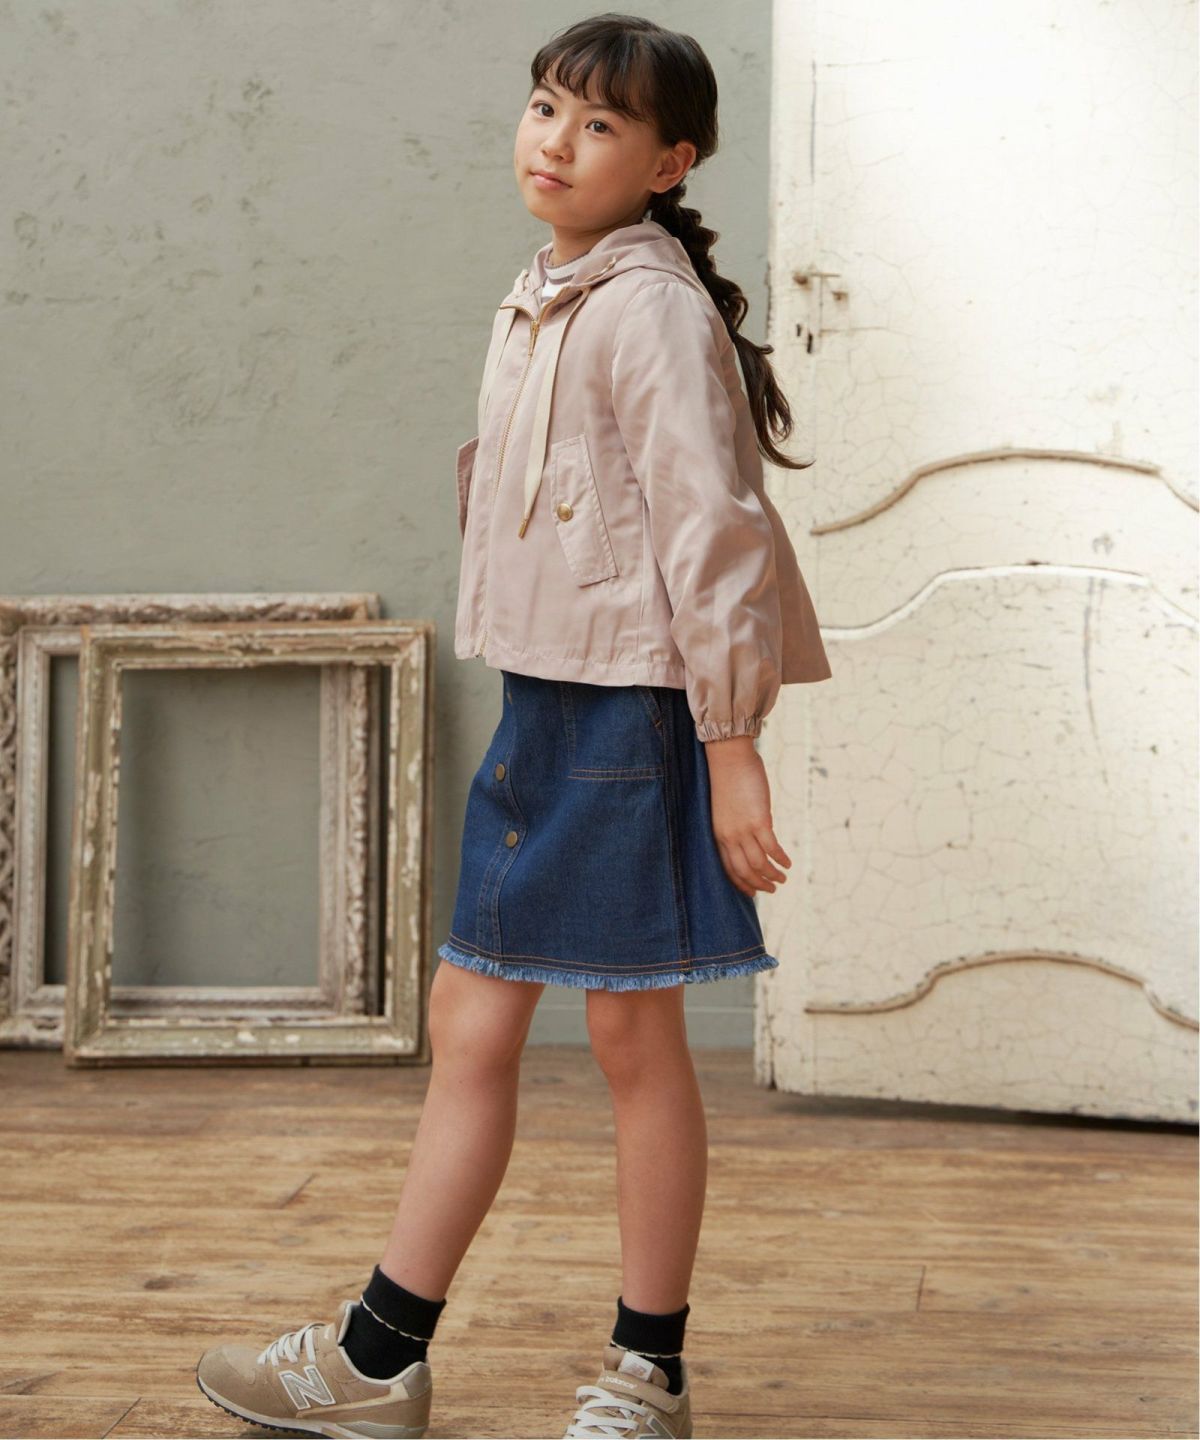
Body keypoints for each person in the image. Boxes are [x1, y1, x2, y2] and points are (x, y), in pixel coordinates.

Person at [196, 13, 832, 1439]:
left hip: (631, 713)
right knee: (487, 1023)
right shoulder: (548, 287)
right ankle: (386, 1359)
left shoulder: (647, 305)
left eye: (600, 124)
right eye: (547, 106)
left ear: (669, 162)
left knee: (626, 1040)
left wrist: (733, 748)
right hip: (549, 699)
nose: (556, 140)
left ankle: (638, 1373)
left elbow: (716, 535)